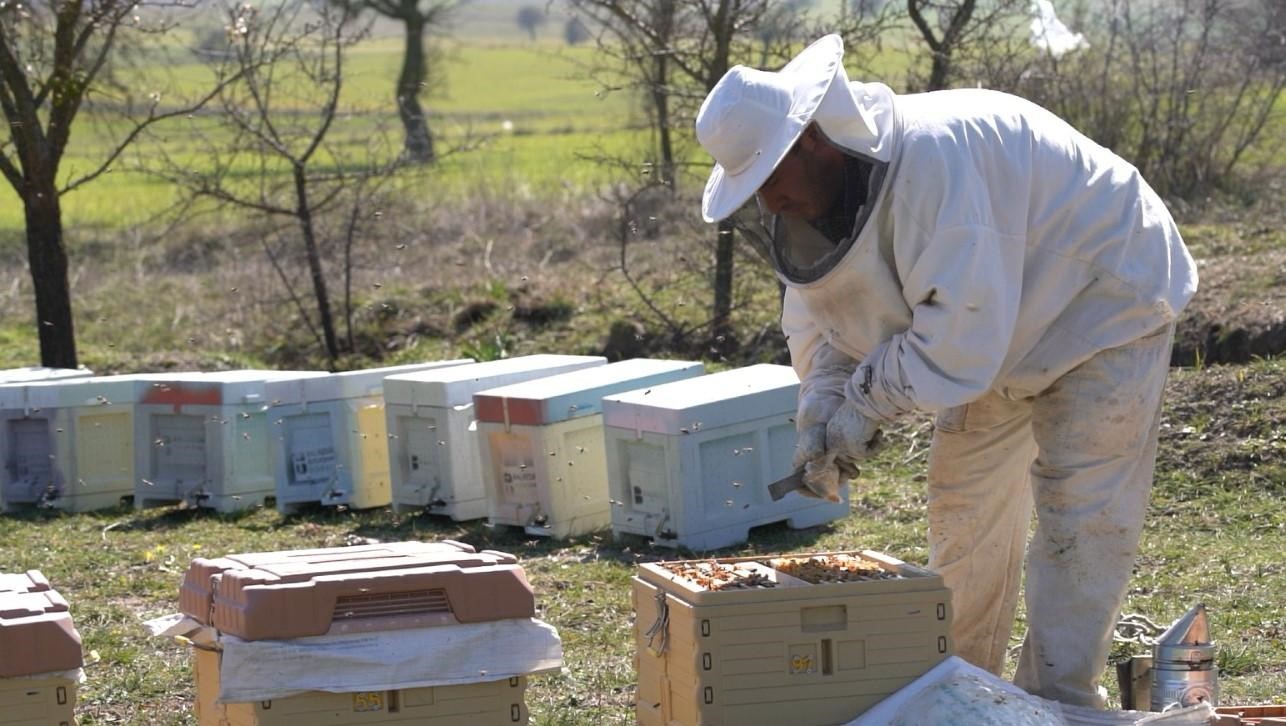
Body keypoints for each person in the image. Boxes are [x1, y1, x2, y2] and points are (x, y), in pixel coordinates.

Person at [694, 34, 1197, 708]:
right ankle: (963, 696)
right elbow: (824, 308)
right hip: (1000, 324)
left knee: (1080, 519)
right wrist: (821, 400)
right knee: (965, 507)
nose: (768, 202)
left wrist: (865, 406)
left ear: (809, 139)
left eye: (769, 179)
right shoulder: (824, 193)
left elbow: (957, 345)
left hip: (1104, 295)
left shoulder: (931, 168)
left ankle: (1058, 704)